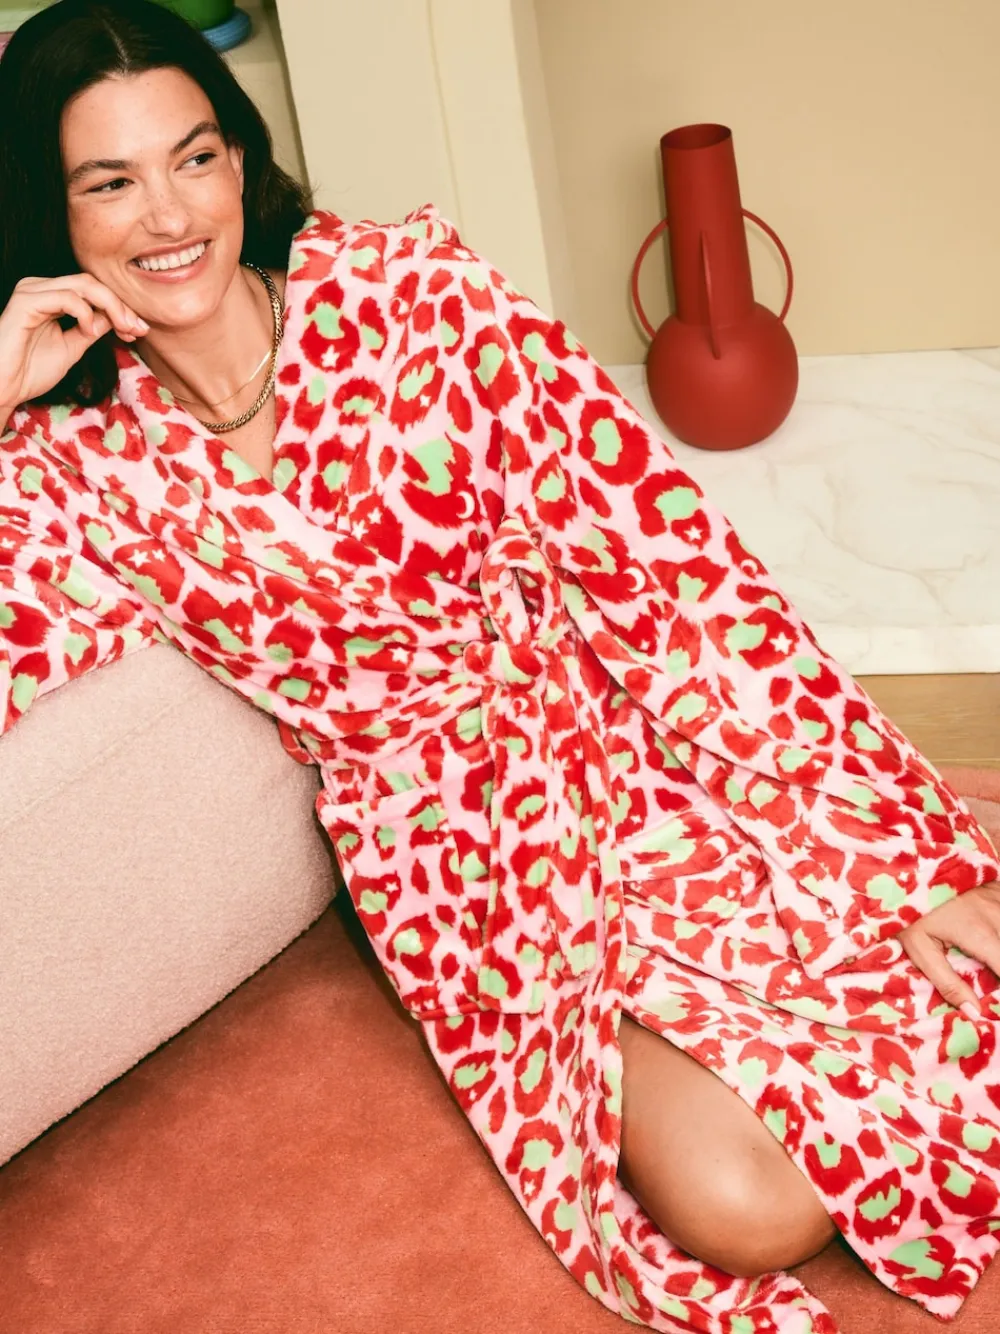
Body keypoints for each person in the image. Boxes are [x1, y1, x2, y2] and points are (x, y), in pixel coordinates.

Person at [1, 2, 999, 1330]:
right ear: (52, 212)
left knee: (938, 978)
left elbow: (672, 570)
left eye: (193, 157)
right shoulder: (71, 463)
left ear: (240, 158)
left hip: (625, 736)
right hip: (454, 866)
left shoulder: (415, 290)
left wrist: (889, 850)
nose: (169, 216)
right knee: (750, 1207)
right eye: (110, 182)